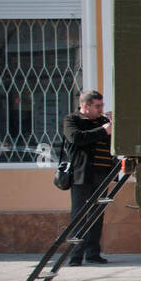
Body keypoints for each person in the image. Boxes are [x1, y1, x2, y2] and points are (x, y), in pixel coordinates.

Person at [61, 91, 116, 266]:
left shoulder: (102, 122)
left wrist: (115, 124)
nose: (101, 109)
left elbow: (113, 144)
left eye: (102, 106)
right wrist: (102, 131)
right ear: (85, 106)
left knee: (96, 215)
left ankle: (93, 253)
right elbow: (77, 138)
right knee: (79, 216)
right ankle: (75, 256)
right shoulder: (72, 120)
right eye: (97, 106)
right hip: (82, 174)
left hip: (102, 174)